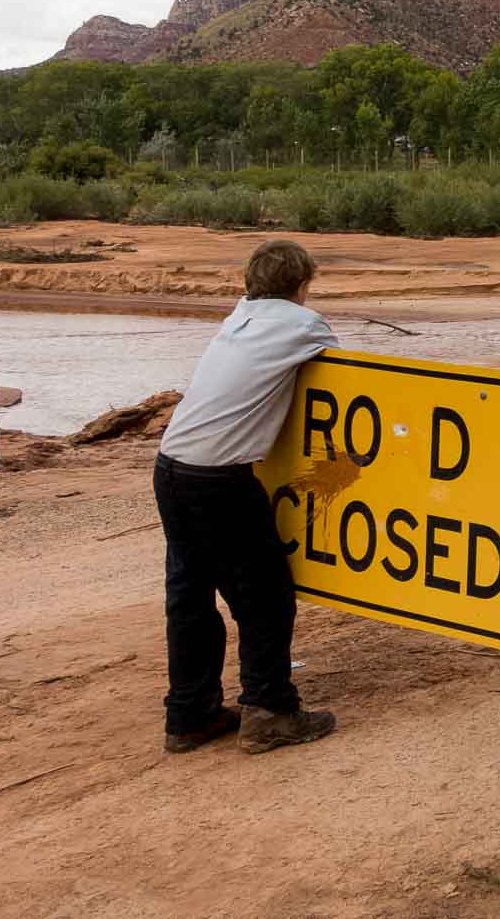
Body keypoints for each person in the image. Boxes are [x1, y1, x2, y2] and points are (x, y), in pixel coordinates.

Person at [155, 240, 339, 755]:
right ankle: (270, 710)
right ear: (302, 284)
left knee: (190, 597)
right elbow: (341, 379)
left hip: (170, 465)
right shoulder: (304, 324)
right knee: (266, 597)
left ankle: (189, 716)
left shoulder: (237, 316)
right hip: (219, 478)